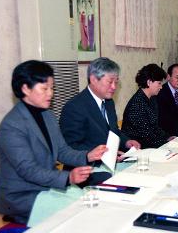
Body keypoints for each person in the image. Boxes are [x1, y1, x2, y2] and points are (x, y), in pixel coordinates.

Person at [0, 60, 107, 224]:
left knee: (94, 201)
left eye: (52, 88)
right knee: (80, 213)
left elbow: (62, 151)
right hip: (23, 194)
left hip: (47, 186)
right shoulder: (12, 125)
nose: (50, 94)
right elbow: (28, 170)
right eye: (44, 88)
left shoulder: (47, 115)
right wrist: (68, 177)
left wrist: (88, 156)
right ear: (25, 88)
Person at [60, 57, 140, 185]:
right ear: (93, 79)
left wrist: (126, 142)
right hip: (86, 172)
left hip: (109, 165)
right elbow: (70, 146)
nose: (114, 87)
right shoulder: (75, 107)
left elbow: (113, 131)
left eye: (116, 82)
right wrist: (105, 153)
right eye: (110, 82)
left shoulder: (108, 102)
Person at [122, 64, 173, 148]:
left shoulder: (152, 98)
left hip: (150, 145)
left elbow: (155, 127)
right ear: (149, 82)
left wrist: (168, 137)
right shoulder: (137, 104)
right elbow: (147, 137)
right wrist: (167, 144)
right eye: (159, 83)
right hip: (138, 149)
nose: (161, 87)